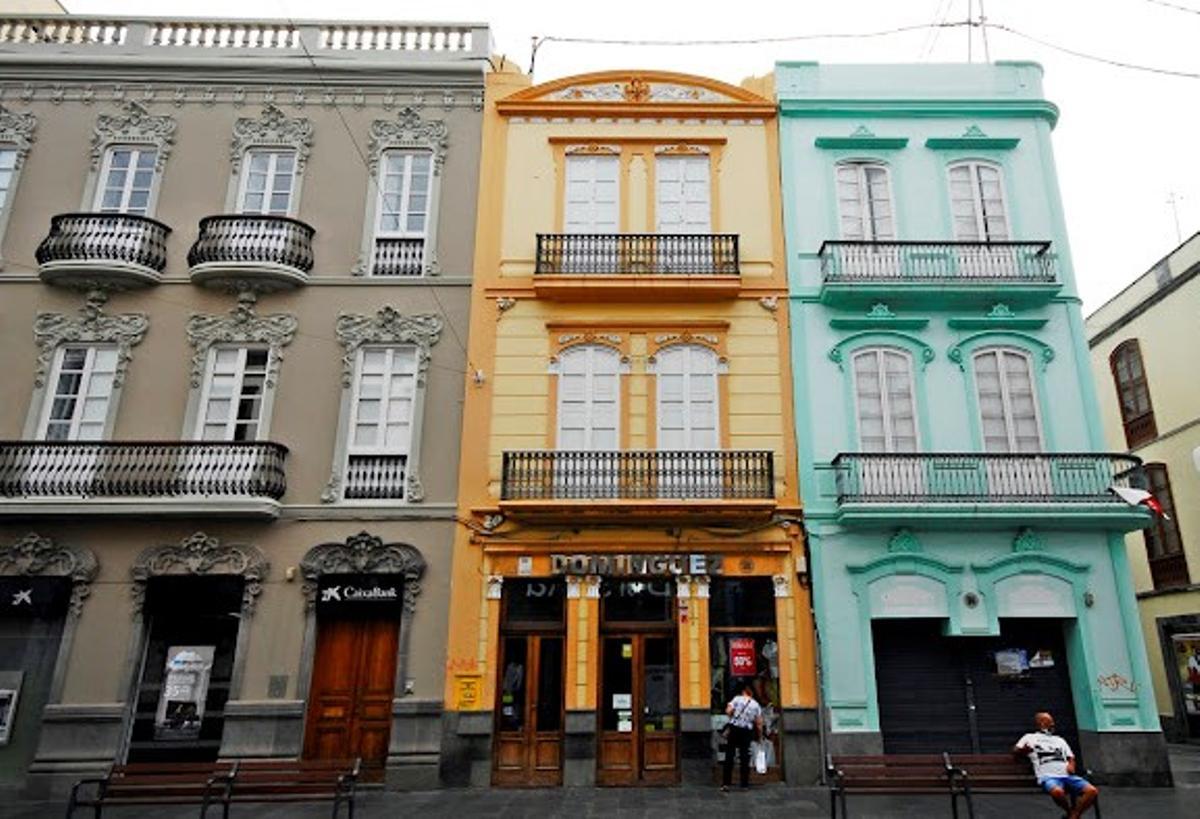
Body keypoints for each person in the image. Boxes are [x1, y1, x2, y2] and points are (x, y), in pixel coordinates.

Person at [1013, 712, 1099, 818]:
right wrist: (1024, 750)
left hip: (1068, 775)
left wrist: (1071, 765)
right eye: (1049, 721)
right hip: (1048, 776)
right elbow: (1016, 751)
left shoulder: (1059, 740)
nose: (1053, 724)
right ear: (1041, 723)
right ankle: (1070, 812)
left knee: (1092, 791)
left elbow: (1071, 757)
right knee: (1057, 792)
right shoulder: (1029, 737)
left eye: (1052, 721)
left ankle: (1074, 815)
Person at [721, 678, 763, 792]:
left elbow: (728, 711)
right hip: (746, 731)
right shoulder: (756, 705)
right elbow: (759, 724)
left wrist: (733, 717)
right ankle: (744, 784)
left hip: (734, 729)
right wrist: (759, 737)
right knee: (745, 757)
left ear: (743, 691)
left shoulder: (737, 699)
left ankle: (726, 783)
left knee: (730, 755)